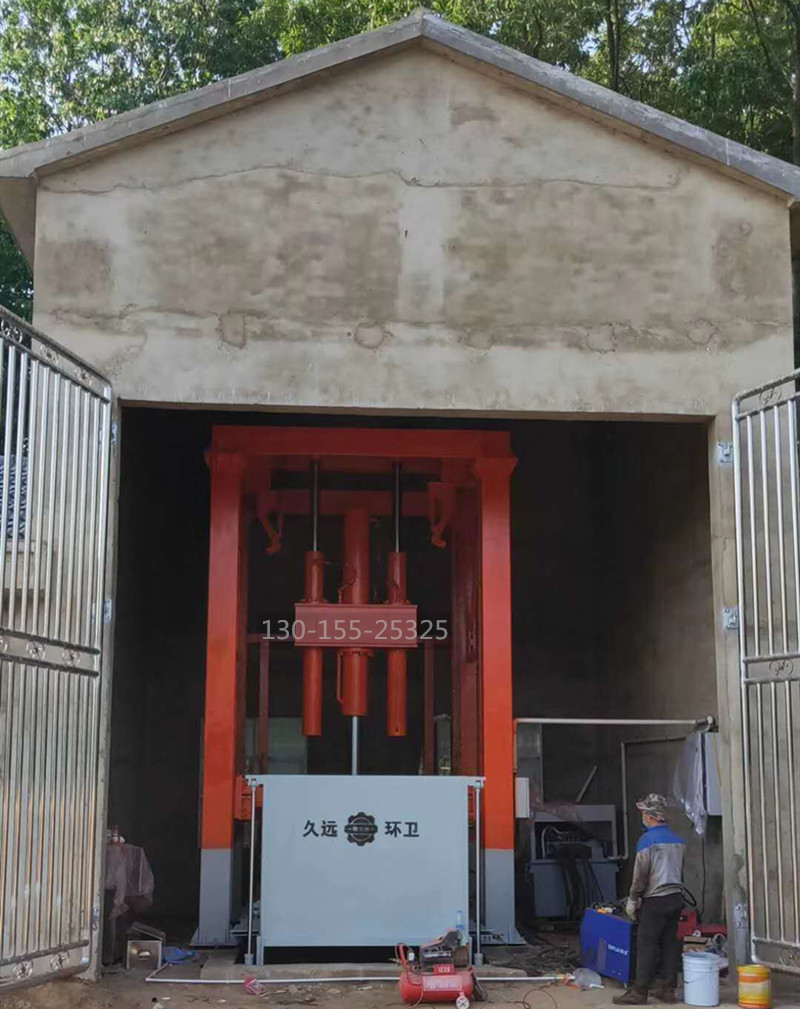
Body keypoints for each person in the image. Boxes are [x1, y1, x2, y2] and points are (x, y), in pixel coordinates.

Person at [613, 793, 685, 1006]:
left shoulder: (646, 841)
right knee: (670, 943)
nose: (642, 816)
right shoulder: (678, 840)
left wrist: (633, 899)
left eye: (644, 813)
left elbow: (641, 876)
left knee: (646, 944)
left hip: (655, 900)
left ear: (651, 816)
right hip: (676, 897)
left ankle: (639, 991)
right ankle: (667, 990)